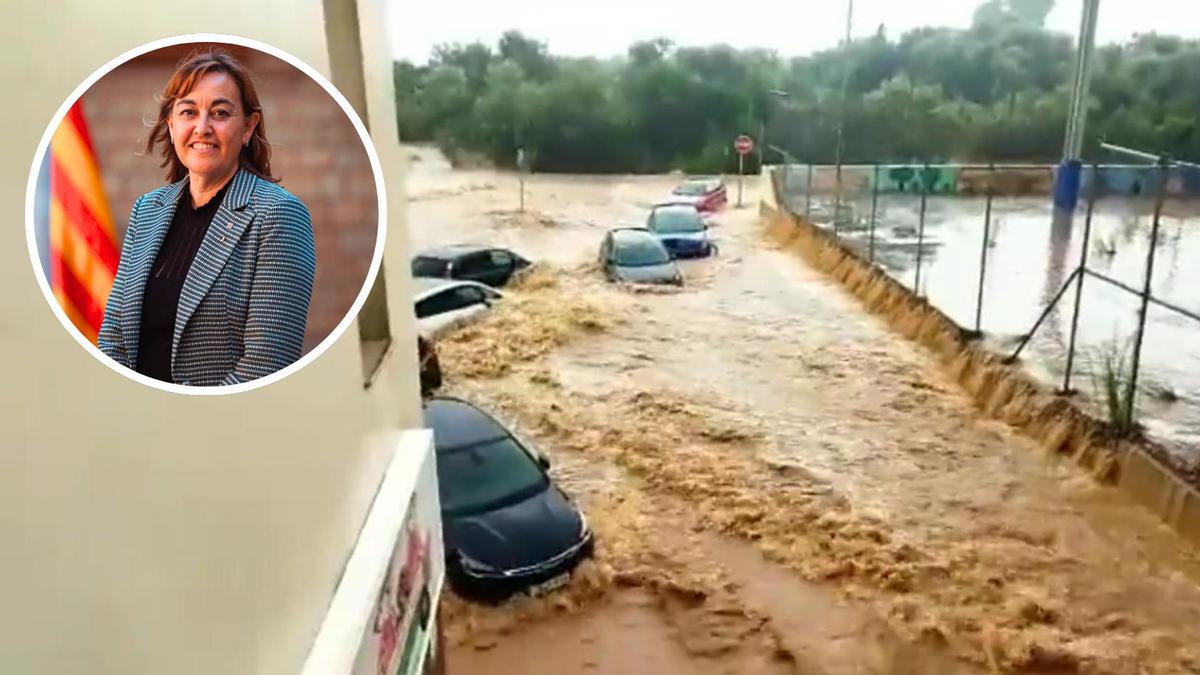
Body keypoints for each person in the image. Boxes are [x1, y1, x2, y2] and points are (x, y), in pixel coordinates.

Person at [98, 47, 316, 386]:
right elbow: (114, 336)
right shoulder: (146, 211)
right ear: (171, 124)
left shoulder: (278, 215)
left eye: (220, 113)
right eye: (188, 112)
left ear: (247, 127)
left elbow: (268, 362)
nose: (202, 127)